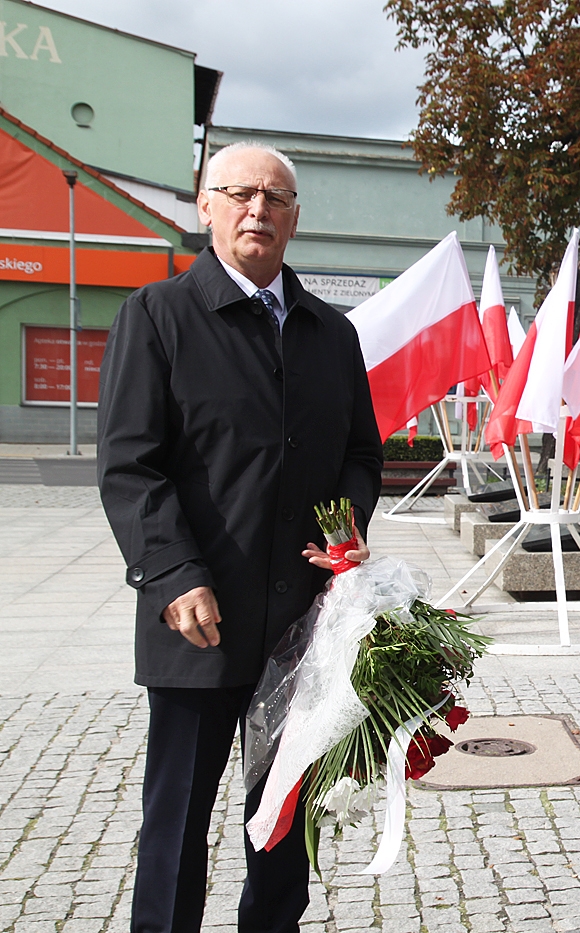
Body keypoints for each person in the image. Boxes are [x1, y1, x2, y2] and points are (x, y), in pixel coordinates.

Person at [98, 141, 383, 933]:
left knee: (284, 820)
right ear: (207, 206)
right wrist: (171, 573)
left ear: (295, 219)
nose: (258, 209)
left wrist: (348, 522)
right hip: (200, 617)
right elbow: (130, 465)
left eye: (276, 198)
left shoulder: (332, 333)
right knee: (178, 820)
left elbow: (362, 451)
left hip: (303, 625)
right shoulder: (156, 318)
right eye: (241, 193)